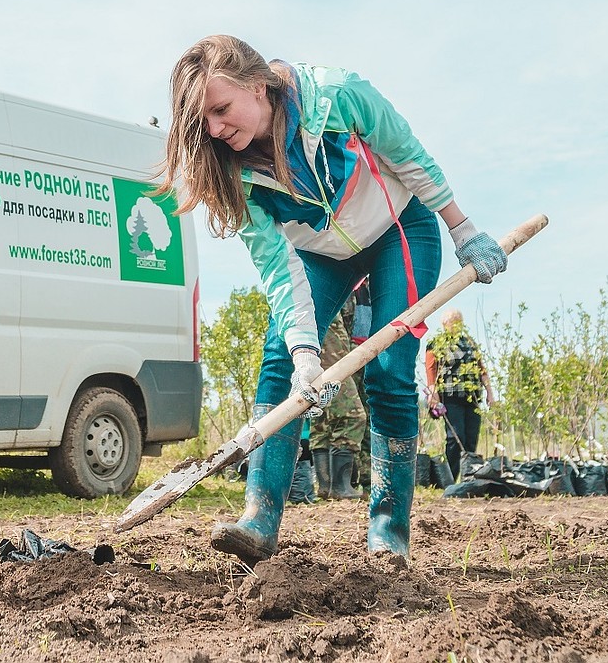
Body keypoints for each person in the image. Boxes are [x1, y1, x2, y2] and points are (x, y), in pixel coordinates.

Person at [159, 35, 506, 564]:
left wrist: (462, 229)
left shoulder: (337, 97)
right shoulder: (229, 171)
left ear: (258, 87)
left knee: (389, 370)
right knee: (279, 361)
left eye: (221, 110)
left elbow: (407, 154)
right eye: (203, 121)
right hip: (320, 253)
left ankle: (388, 532)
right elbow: (278, 268)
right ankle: (259, 517)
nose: (214, 129)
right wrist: (304, 353)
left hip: (399, 227)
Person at [425, 308, 494, 478]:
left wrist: (490, 393)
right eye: (452, 323)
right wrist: (433, 394)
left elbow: (481, 370)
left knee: (471, 437)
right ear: (444, 324)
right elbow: (431, 371)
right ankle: (450, 476)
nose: (455, 326)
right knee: (455, 437)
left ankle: (467, 476)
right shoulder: (436, 343)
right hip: (451, 397)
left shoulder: (469, 342)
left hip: (472, 397)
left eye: (458, 323)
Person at [308, 299, 367, 500]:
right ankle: (341, 488)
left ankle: (326, 487)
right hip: (330, 348)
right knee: (352, 415)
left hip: (320, 345)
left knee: (322, 419)